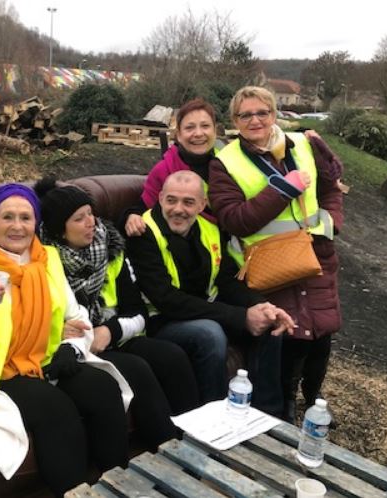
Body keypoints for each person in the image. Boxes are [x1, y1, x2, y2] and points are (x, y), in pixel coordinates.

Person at [0, 184, 132, 496]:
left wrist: (71, 347)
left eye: (25, 218)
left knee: (102, 389)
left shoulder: (47, 259)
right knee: (56, 410)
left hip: (43, 362)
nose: (17, 226)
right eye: (7, 217)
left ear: (35, 224)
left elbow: (76, 315)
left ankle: (118, 487)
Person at [207, 86, 345, 424]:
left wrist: (332, 221)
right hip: (272, 264)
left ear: (274, 113)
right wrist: (283, 189)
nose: (255, 120)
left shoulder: (302, 143)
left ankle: (314, 401)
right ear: (234, 121)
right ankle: (284, 409)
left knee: (322, 332)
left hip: (315, 254)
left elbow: (330, 186)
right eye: (245, 115)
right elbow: (235, 219)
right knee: (290, 334)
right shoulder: (225, 163)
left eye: (262, 112)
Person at [125, 170, 295, 416]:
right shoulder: (143, 233)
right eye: (171, 200)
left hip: (204, 309)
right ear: (160, 198)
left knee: (269, 321)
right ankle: (211, 419)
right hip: (160, 320)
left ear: (203, 204)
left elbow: (226, 280)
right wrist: (239, 317)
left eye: (189, 202)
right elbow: (166, 299)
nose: (178, 209)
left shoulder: (210, 229)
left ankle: (267, 415)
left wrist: (259, 306)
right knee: (209, 334)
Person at [35, 176, 199, 430]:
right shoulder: (44, 264)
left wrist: (110, 331)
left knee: (171, 356)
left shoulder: (110, 250)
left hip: (114, 335)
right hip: (73, 349)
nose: (92, 223)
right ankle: (165, 444)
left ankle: (195, 433)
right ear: (59, 230)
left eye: (91, 213)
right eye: (79, 219)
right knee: (136, 369)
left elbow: (139, 313)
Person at [123, 98, 225, 237]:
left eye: (205, 126)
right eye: (190, 128)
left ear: (215, 131)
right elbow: (143, 207)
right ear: (179, 135)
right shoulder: (164, 169)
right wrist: (132, 216)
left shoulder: (228, 164)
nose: (198, 133)